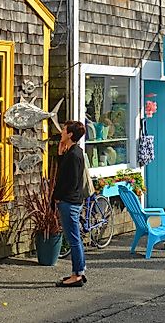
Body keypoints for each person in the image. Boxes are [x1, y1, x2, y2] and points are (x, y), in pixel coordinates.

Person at [53, 120, 89, 287]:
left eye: (64, 130)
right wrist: (61, 156)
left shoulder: (74, 155)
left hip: (70, 202)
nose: (61, 131)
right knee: (74, 238)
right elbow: (64, 174)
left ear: (70, 135)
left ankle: (78, 274)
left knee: (74, 239)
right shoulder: (73, 152)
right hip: (71, 201)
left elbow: (70, 182)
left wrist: (59, 197)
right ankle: (77, 272)